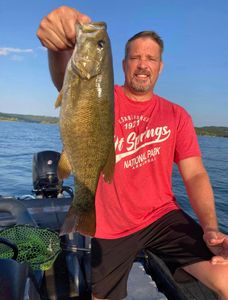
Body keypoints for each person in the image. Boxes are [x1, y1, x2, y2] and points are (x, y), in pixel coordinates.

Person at [37, 6, 228, 300]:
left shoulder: (178, 115)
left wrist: (211, 228)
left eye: (150, 58)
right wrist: (59, 48)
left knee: (225, 277)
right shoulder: (103, 95)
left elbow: (195, 173)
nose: (142, 64)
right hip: (112, 224)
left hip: (163, 216)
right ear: (124, 63)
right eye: (136, 57)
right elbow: (67, 80)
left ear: (160, 66)